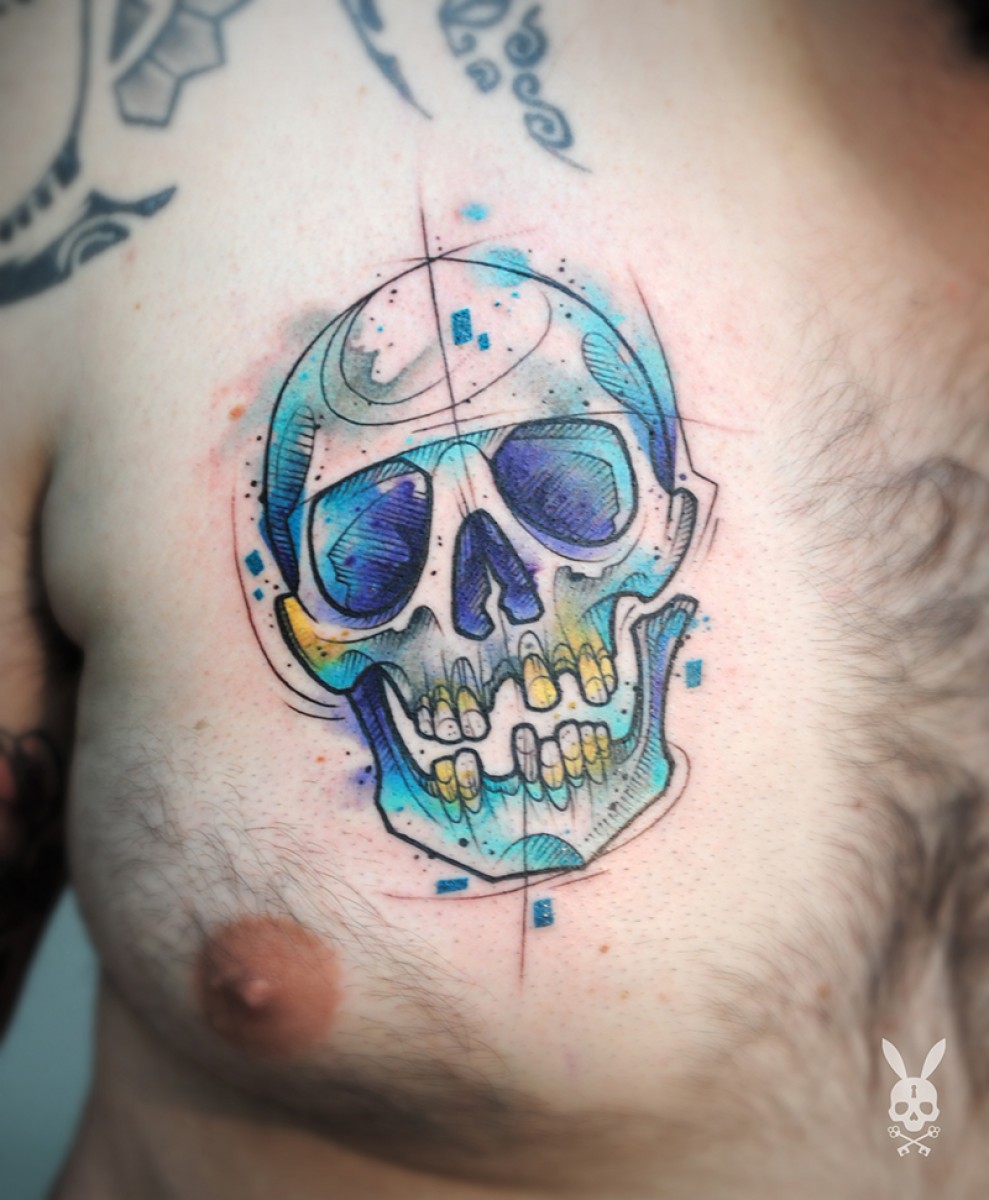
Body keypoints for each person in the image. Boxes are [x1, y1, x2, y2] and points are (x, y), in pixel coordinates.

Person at [2, 1, 988, 1196]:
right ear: (299, 628)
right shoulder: (114, 121)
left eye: (567, 492)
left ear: (670, 524)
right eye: (374, 549)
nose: (488, 603)